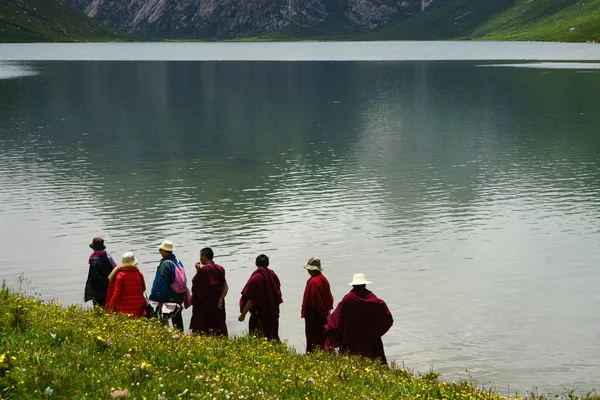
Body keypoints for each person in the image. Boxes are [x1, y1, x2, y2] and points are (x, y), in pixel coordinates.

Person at [325, 273, 393, 364]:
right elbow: (387, 317)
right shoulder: (372, 298)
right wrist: (376, 332)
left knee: (352, 367)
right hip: (372, 342)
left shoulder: (347, 299)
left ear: (353, 285)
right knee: (377, 368)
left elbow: (336, 320)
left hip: (352, 342)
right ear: (364, 284)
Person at [238, 254, 283, 341]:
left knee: (257, 338)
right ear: (268, 264)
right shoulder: (273, 275)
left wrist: (243, 314)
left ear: (256, 264)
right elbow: (278, 293)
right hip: (272, 313)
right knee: (273, 337)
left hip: (259, 315)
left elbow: (252, 299)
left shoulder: (256, 277)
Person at [190, 247, 229, 336]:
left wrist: (197, 271)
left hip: (206, 305)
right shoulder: (220, 268)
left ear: (205, 256)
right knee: (219, 328)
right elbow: (226, 286)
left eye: (200, 256)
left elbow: (195, 287)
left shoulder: (204, 270)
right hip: (218, 304)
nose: (199, 258)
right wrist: (220, 299)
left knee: (204, 329)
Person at [149, 240, 185, 331]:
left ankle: (165, 338)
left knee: (162, 320)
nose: (160, 252)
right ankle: (181, 338)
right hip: (178, 295)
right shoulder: (177, 261)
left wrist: (159, 299)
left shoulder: (165, 264)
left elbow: (162, 283)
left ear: (165, 251)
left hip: (168, 297)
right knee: (177, 319)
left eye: (160, 250)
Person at [301, 257, 334, 353]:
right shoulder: (323, 279)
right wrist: (327, 312)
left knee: (314, 339)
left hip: (315, 316)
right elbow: (330, 298)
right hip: (322, 313)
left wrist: (324, 314)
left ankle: (315, 356)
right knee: (323, 338)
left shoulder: (313, 282)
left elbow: (317, 301)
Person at [105, 252, 147, 318]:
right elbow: (143, 288)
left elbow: (116, 294)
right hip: (138, 308)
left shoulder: (120, 275)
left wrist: (110, 308)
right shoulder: (139, 274)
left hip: (123, 308)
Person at [84, 237, 117, 307]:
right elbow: (115, 268)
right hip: (108, 284)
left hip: (97, 288)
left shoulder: (92, 258)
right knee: (108, 305)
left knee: (98, 306)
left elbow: (93, 274)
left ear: (94, 248)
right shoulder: (108, 255)